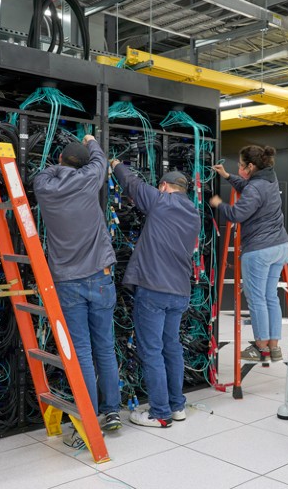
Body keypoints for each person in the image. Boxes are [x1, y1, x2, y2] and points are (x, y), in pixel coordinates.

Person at [32, 134, 122, 447]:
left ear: (60, 161)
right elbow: (99, 160)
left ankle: (88, 415)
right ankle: (112, 412)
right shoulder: (90, 179)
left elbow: (40, 173)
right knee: (105, 348)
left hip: (67, 281)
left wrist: (61, 166)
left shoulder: (46, 187)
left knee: (81, 352)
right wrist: (91, 140)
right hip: (100, 275)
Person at [109, 160, 200, 428]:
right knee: (171, 348)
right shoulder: (194, 213)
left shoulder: (161, 201)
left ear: (164, 187)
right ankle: (177, 406)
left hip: (154, 290)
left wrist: (115, 164)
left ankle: (160, 413)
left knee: (152, 351)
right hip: (180, 291)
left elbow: (133, 185)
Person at [210, 145, 288, 363]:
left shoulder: (255, 188)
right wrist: (228, 176)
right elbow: (248, 186)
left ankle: (260, 346)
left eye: (240, 165)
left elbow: (237, 214)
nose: (238, 167)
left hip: (260, 250)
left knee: (256, 299)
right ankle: (273, 347)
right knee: (270, 297)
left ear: (250, 166)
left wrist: (218, 204)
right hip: (280, 247)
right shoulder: (269, 179)